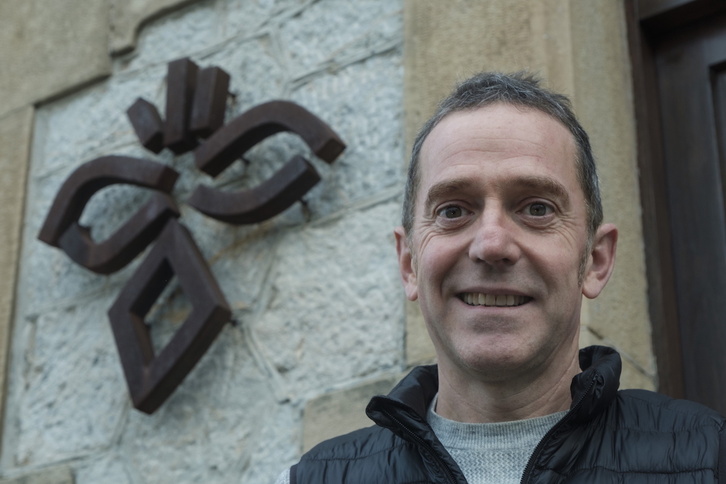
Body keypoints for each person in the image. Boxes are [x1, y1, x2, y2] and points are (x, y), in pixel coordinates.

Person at [275, 72, 725, 483]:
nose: (491, 245)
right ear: (409, 264)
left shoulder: (710, 457)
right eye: (453, 211)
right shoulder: (313, 480)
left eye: (537, 208)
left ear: (595, 260)